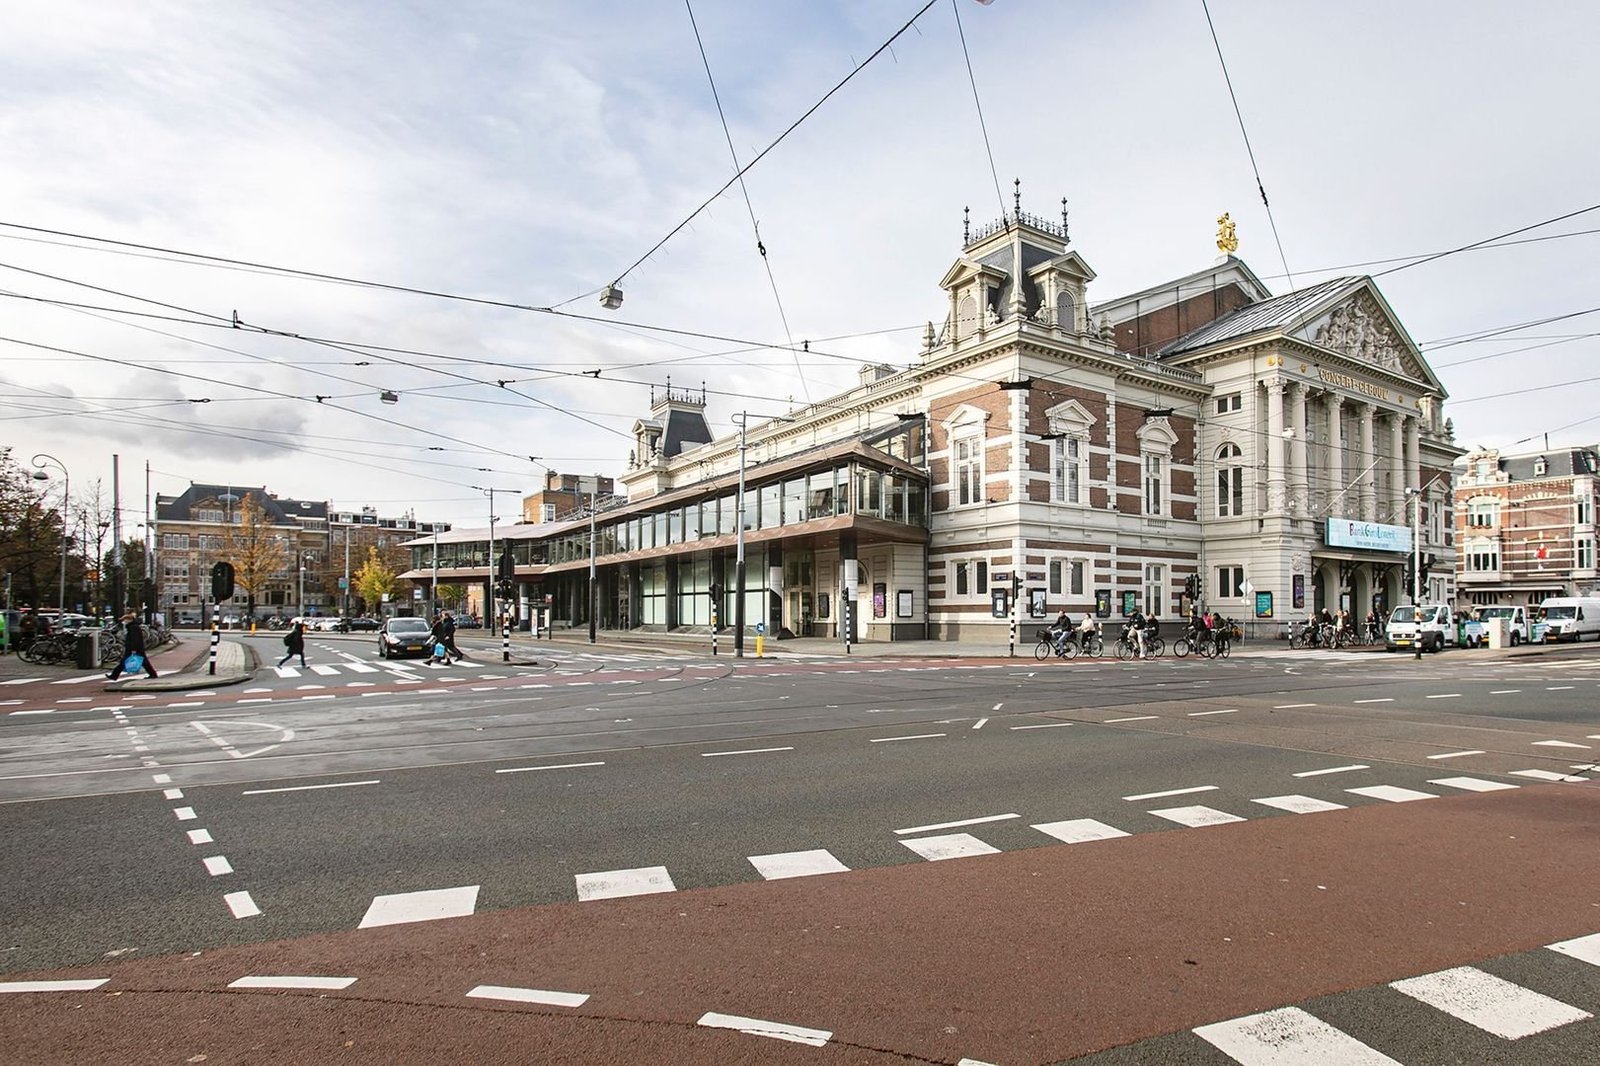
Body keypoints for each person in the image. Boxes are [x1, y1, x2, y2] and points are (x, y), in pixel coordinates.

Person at [107, 610, 159, 680]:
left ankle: (114, 675)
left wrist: (133, 649)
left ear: (129, 620)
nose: (124, 622)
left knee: (124, 662)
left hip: (134, 649)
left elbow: (135, 639)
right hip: (137, 648)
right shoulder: (133, 626)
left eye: (124, 620)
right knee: (144, 662)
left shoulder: (133, 627)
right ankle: (153, 674)